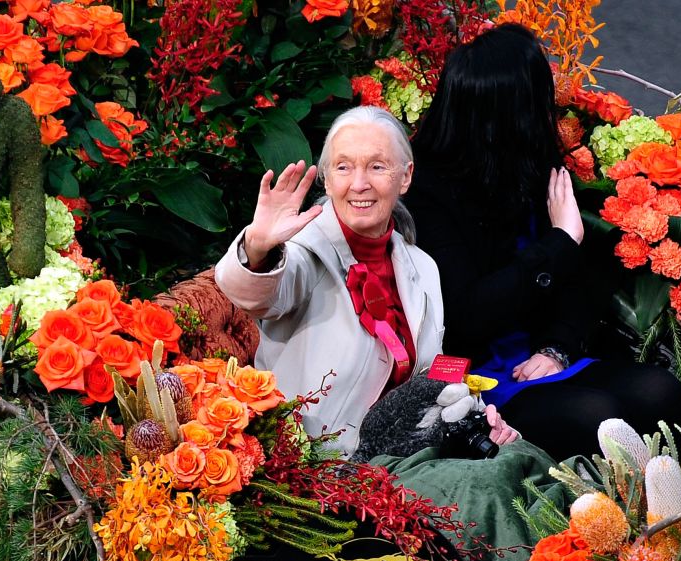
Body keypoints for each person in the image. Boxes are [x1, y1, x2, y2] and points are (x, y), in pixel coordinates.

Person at [404, 23, 681, 459]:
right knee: (597, 418)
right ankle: (619, 521)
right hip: (472, 376)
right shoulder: (427, 189)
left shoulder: (526, 165)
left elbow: (581, 281)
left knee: (661, 392)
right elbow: (467, 313)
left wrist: (557, 347)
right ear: (509, 111)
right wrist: (559, 241)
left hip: (540, 358)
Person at [215, 106, 517, 458]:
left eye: (377, 166)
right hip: (316, 469)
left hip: (403, 455)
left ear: (405, 177)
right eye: (343, 167)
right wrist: (256, 246)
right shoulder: (303, 253)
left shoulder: (423, 266)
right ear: (327, 180)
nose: (359, 184)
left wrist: (476, 417)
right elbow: (254, 292)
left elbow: (430, 377)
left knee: (516, 463)